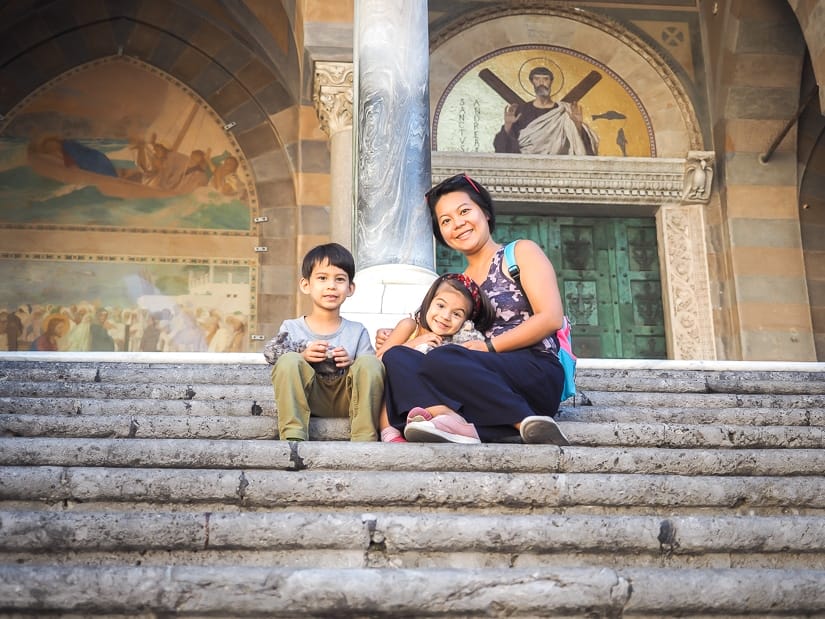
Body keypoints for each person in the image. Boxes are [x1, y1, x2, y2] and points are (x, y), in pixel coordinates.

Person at [378, 173, 570, 445]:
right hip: (473, 377)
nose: (457, 224)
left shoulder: (520, 253)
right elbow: (431, 326)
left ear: (485, 212)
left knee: (443, 359)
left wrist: (489, 347)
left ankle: (524, 419)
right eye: (446, 221)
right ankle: (450, 420)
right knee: (398, 357)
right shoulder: (457, 284)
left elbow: (550, 318)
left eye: (464, 211)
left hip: (533, 370)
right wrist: (403, 337)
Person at [264, 243, 384, 442]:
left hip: (347, 398)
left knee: (370, 363)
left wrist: (351, 362)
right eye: (322, 278)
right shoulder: (292, 327)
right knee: (288, 360)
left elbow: (371, 374)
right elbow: (270, 354)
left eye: (339, 279)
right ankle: (293, 435)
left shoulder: (357, 330)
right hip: (310, 397)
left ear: (350, 288)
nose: (331, 286)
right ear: (305, 285)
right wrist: (303, 357)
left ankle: (364, 436)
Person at [375, 272, 496, 443]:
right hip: (395, 401)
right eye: (440, 305)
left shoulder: (454, 343)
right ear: (429, 301)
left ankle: (430, 420)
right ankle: (389, 431)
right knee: (392, 367)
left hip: (425, 405)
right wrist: (416, 342)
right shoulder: (410, 326)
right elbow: (377, 361)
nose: (445, 316)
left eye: (457, 314)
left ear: (465, 323)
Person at [493, 66, 598, 156]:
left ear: (551, 82)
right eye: (537, 79)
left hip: (558, 168)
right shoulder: (521, 110)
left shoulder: (564, 111)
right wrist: (508, 125)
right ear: (532, 82)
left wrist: (578, 125)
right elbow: (503, 149)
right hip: (526, 165)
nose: (541, 82)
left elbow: (583, 148)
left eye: (546, 79)